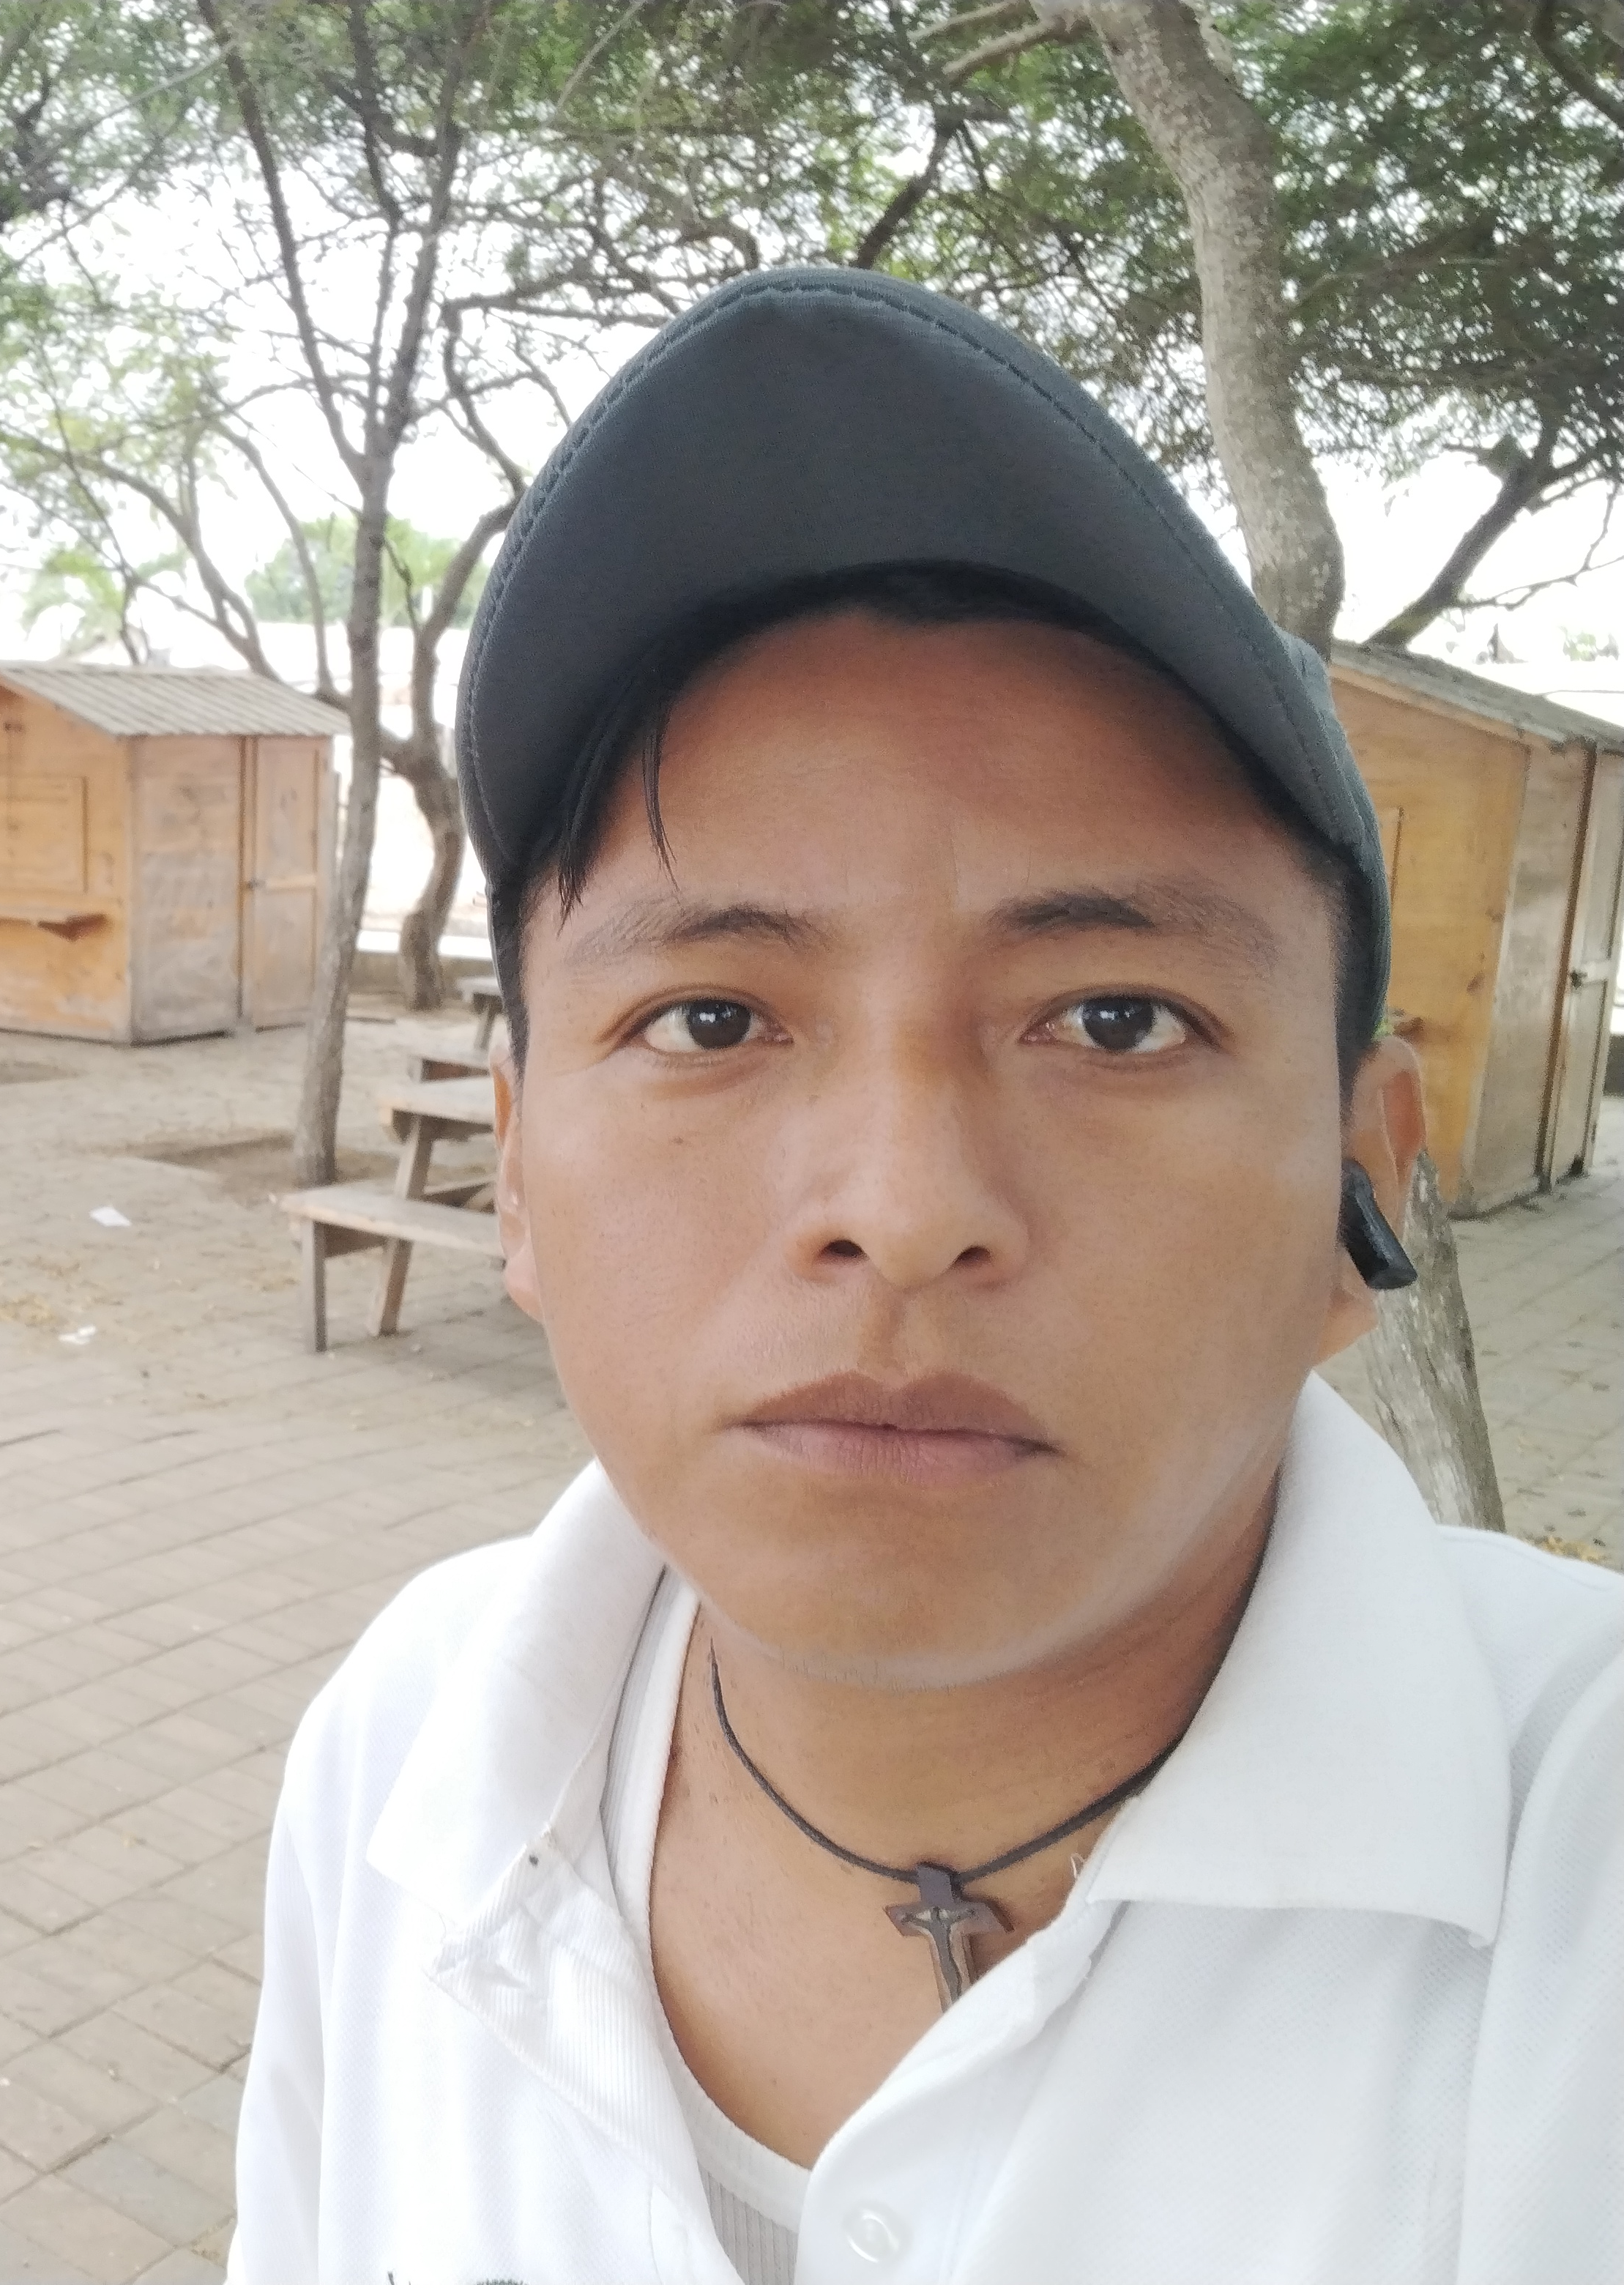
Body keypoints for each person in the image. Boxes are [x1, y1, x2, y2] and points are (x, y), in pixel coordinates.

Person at [227, 270, 1621, 2285]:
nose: (901, 1210)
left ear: (1363, 1181)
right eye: (711, 1021)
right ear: (516, 1173)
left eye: (1117, 1019)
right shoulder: (406, 1746)